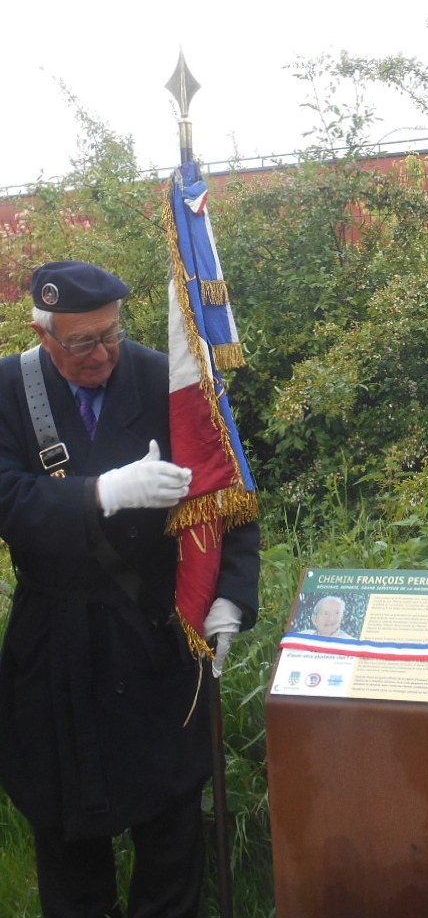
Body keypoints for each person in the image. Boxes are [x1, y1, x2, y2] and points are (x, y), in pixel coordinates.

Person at [0, 261, 261, 918]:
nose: (102, 354)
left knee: (171, 830)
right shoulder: (8, 389)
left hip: (152, 636)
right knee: (67, 841)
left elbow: (226, 494)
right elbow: (6, 499)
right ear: (43, 332)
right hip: (55, 643)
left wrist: (230, 595)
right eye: (82, 342)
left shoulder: (162, 378)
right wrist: (101, 492)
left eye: (111, 334)